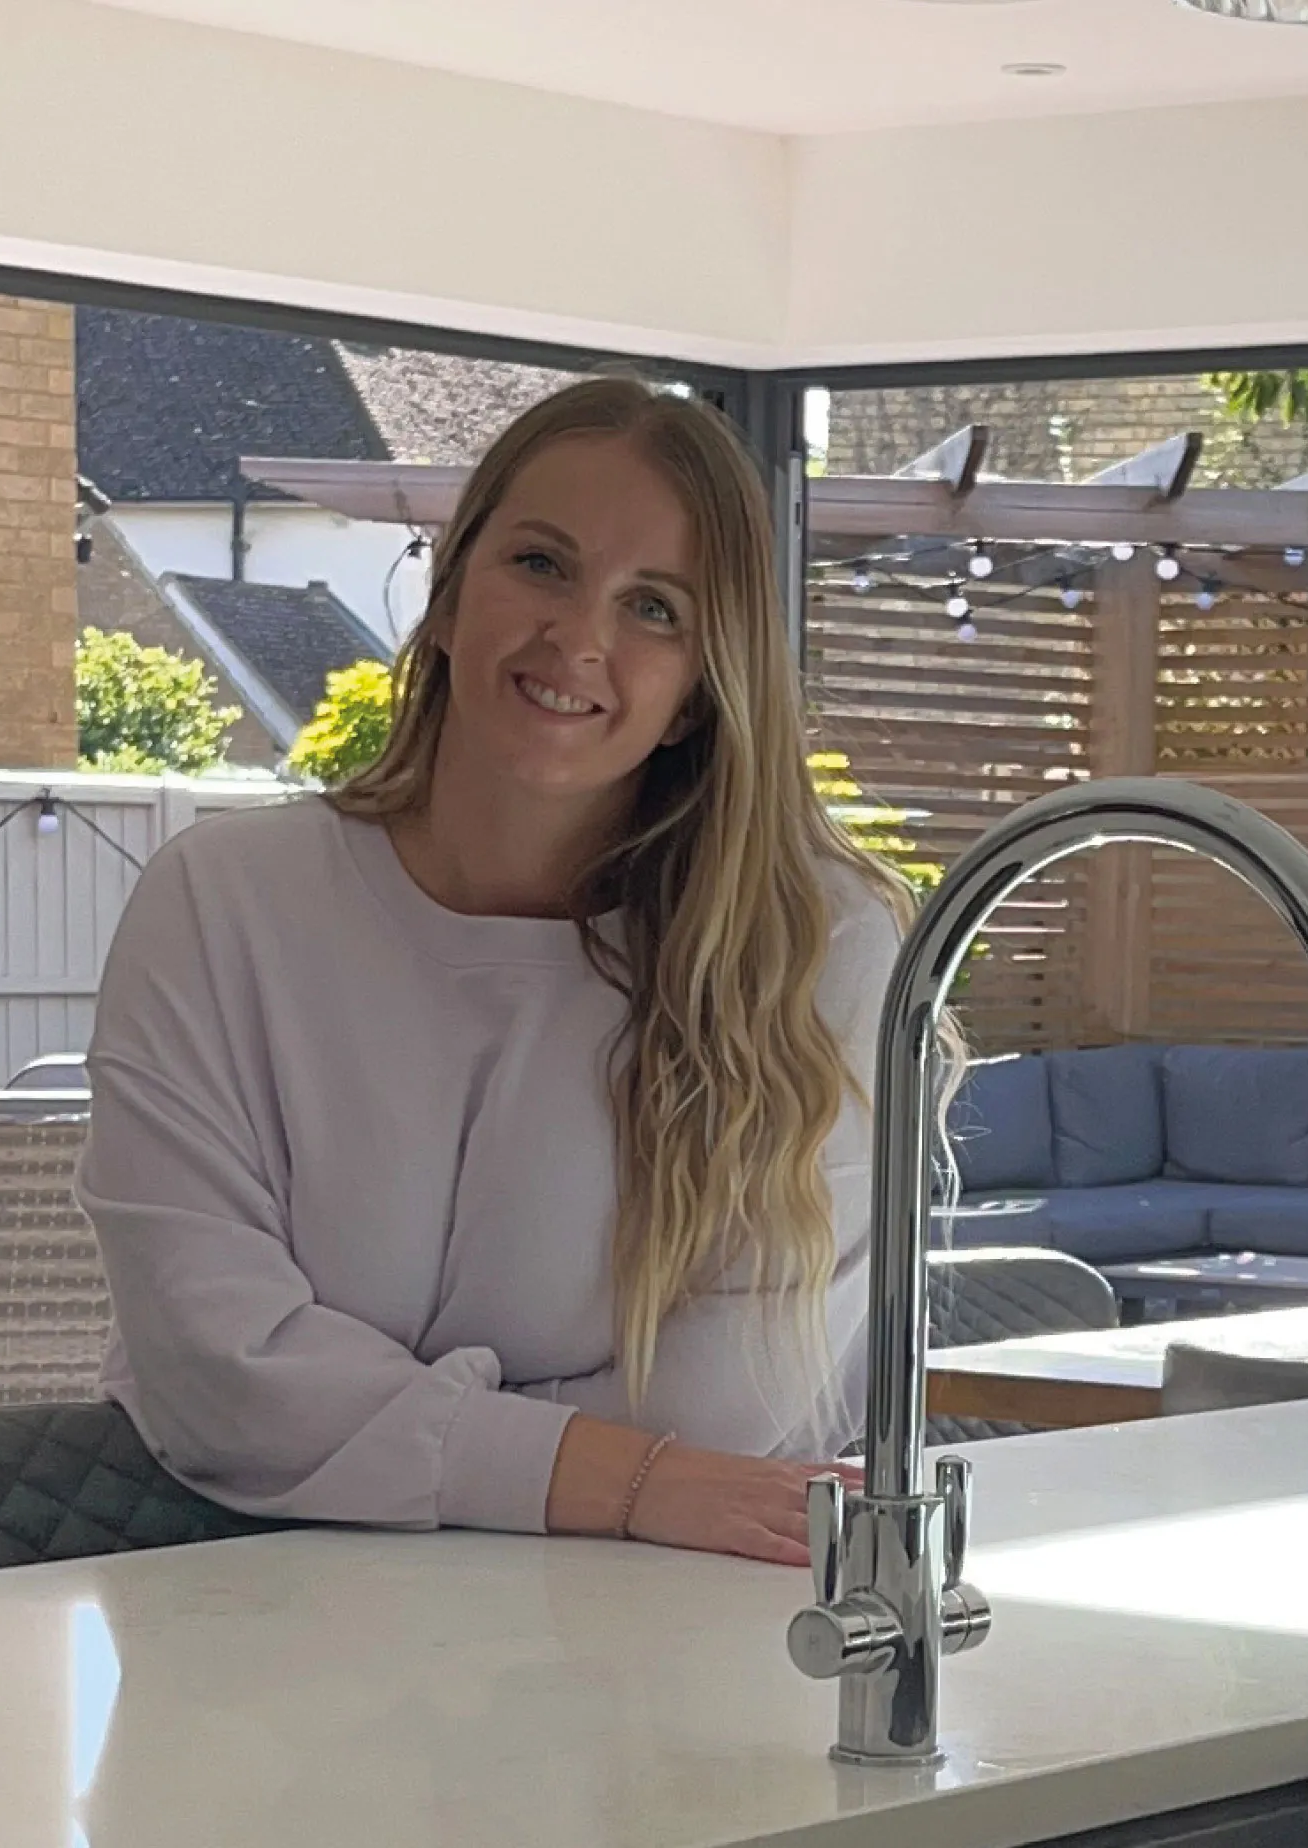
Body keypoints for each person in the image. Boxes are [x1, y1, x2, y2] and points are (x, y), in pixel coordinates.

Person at [76, 376, 937, 1568]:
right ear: (449, 590)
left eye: (654, 609)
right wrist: (628, 1474)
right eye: (540, 565)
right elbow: (214, 1370)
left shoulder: (815, 950)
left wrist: (373, 1434)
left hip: (633, 1651)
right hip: (240, 1643)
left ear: (701, 688)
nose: (578, 639)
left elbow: (742, 1411)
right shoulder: (219, 906)